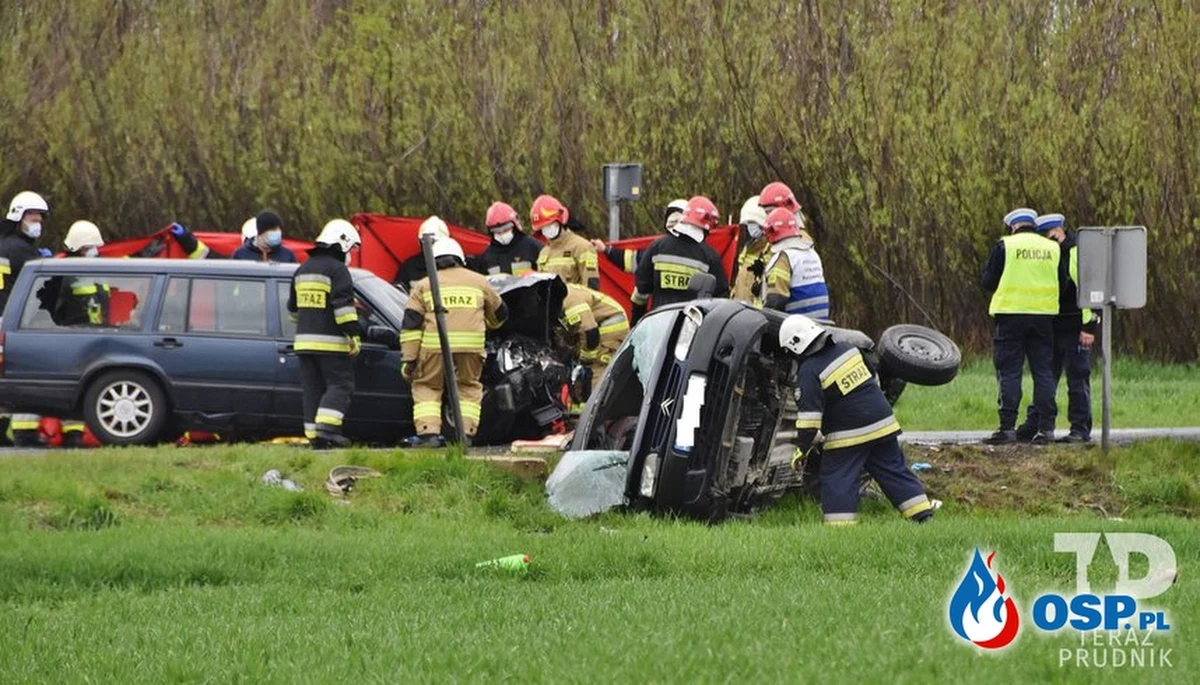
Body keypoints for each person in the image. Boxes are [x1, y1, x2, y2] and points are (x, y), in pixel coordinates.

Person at [781, 314, 935, 525]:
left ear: (794, 347)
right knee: (893, 470)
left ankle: (840, 530)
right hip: (883, 424)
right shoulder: (848, 349)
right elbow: (873, 377)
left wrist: (801, 452)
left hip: (848, 435)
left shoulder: (809, 371)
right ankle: (923, 517)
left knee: (837, 478)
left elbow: (809, 424)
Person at [400, 237, 507, 447]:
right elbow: (501, 313)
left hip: (434, 347)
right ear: (460, 258)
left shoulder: (423, 285)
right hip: (471, 347)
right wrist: (489, 323)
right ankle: (465, 435)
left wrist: (409, 360)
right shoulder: (479, 281)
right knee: (468, 386)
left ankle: (428, 434)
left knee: (428, 386)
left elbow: (411, 326)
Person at [980, 208, 1069, 445]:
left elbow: (987, 281)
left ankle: (1007, 428)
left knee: (1010, 372)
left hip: (1010, 316)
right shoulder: (1053, 248)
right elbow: (1062, 281)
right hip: (1043, 318)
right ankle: (1046, 429)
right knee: (1043, 372)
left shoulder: (1005, 246)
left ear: (1013, 226)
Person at [1017, 213, 1098, 443]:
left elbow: (1092, 290)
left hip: (1076, 326)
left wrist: (1090, 327)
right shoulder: (1047, 254)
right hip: (1050, 324)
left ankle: (1080, 429)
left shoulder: (1076, 253)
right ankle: (1036, 423)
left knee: (1077, 378)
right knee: (1045, 378)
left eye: (1049, 234)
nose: (1047, 239)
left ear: (1060, 230)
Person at [288, 219, 363, 449]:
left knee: (312, 389)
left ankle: (314, 436)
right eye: (350, 249)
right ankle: (328, 430)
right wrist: (354, 335)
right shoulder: (337, 270)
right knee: (341, 385)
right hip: (331, 344)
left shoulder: (302, 269)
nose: (350, 255)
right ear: (341, 244)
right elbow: (344, 310)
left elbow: (292, 310)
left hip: (303, 344)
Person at [1, 191, 53, 447]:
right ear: (18, 215)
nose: (37, 222)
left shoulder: (3, 244)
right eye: (33, 216)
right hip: (13, 321)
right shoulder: (22, 251)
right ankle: (25, 433)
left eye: (40, 218)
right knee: (24, 373)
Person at [630, 195, 730, 323]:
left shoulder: (657, 247)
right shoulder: (709, 256)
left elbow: (641, 289)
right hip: (691, 329)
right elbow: (720, 299)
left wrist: (637, 322)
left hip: (659, 323)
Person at [758, 185, 831, 322]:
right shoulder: (809, 250)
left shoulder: (785, 256)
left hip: (795, 327)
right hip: (819, 323)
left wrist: (761, 321)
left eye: (768, 212)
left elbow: (776, 299)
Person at [560, 283, 630, 387]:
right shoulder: (550, 298)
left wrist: (585, 361)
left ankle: (595, 399)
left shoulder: (569, 298)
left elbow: (590, 333)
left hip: (607, 327)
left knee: (594, 372)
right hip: (592, 327)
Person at [592, 199, 689, 273]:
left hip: (664, 299)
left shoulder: (658, 248)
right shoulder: (701, 250)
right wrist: (606, 249)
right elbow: (632, 260)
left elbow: (633, 261)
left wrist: (606, 250)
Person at [531, 195, 599, 289]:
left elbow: (592, 289)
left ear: (560, 220)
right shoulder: (544, 253)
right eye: (542, 228)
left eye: (550, 225)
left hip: (575, 303)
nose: (546, 230)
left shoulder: (582, 247)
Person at [476, 202, 541, 276]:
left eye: (506, 229)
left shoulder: (532, 247)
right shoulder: (487, 257)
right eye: (497, 232)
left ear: (514, 226)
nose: (502, 234)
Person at [394, 216, 451, 291]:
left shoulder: (456, 265)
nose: (430, 246)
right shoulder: (410, 267)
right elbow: (396, 293)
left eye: (433, 242)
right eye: (425, 242)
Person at [731, 195, 769, 306]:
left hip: (758, 315)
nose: (750, 228)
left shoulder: (770, 250)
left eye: (753, 223)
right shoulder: (747, 249)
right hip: (741, 312)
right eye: (748, 224)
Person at [231, 210, 297, 263]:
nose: (276, 237)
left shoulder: (288, 255)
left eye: (278, 233)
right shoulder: (240, 254)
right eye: (272, 233)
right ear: (260, 234)